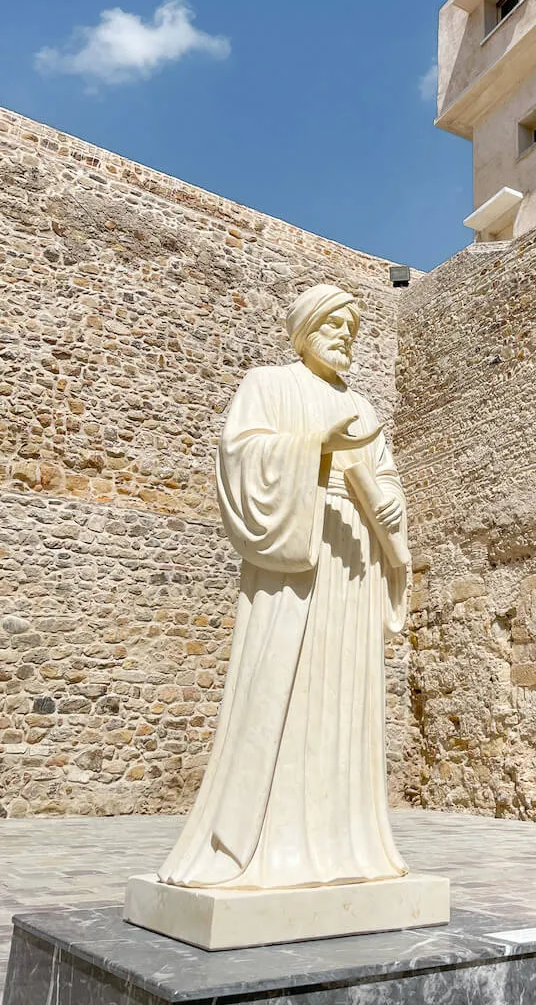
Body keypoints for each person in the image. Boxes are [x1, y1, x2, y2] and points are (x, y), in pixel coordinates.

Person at [157, 284, 409, 890]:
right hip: (296, 556)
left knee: (344, 696)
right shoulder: (267, 384)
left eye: (355, 325)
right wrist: (316, 448)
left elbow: (388, 483)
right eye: (336, 322)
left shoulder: (366, 408)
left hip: (354, 559)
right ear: (307, 326)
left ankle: (346, 845)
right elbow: (239, 456)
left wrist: (378, 499)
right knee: (282, 687)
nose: (347, 333)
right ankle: (263, 842)